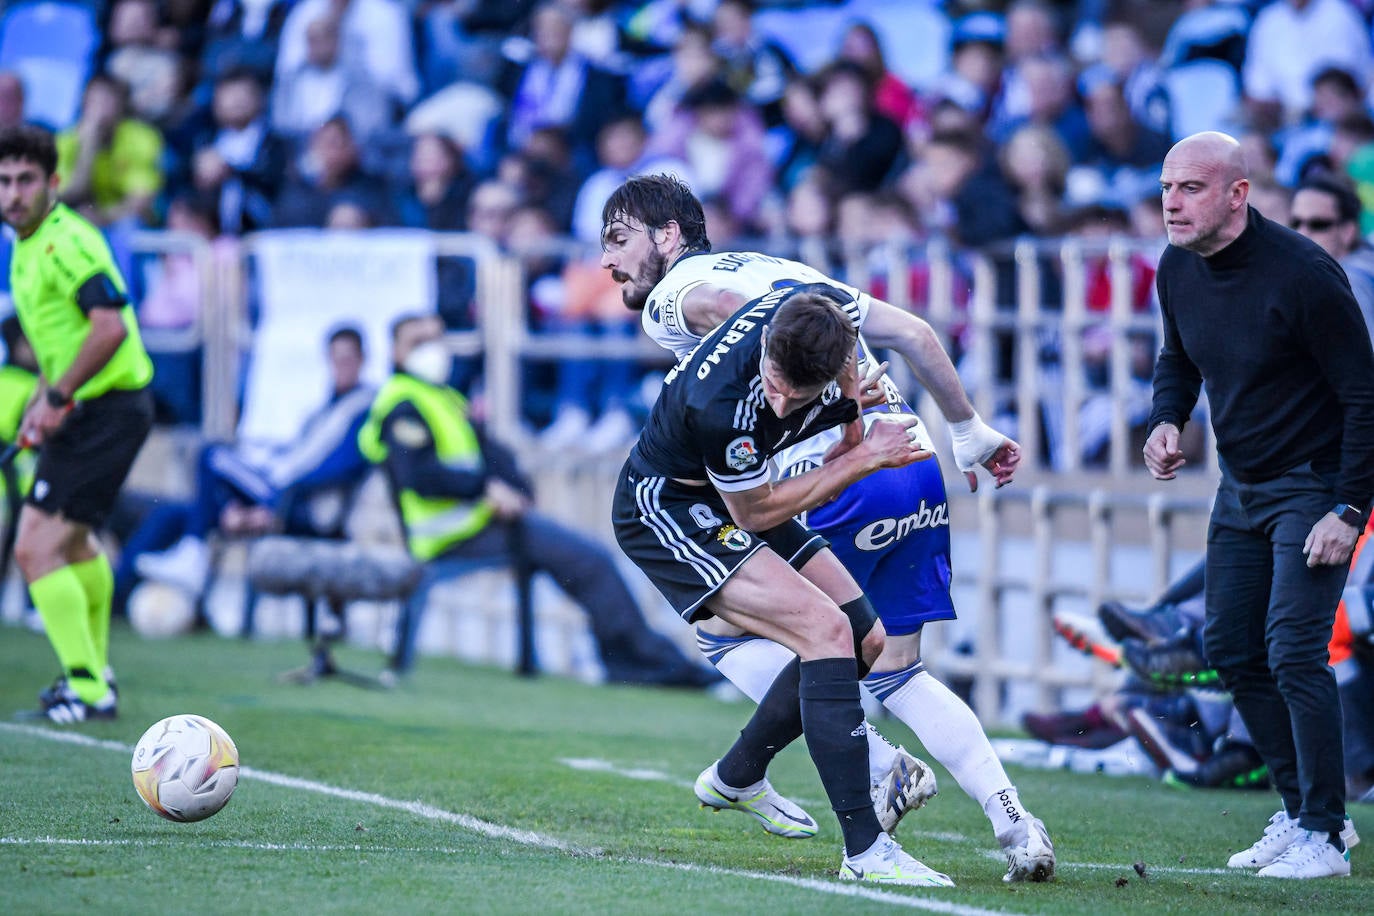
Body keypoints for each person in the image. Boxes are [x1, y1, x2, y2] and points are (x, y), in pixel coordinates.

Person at [599, 174, 1055, 883]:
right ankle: (998, 822)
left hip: (819, 471)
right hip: (907, 464)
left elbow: (737, 329)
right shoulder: (786, 282)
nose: (609, 262)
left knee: (784, 638)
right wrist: (966, 429)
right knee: (872, 652)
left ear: (667, 236)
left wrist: (845, 422)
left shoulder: (682, 297)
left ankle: (839, 775)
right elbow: (914, 333)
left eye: (619, 239)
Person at [609, 275, 952, 885]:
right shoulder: (721, 406)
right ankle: (867, 854)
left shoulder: (817, 309)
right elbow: (758, 513)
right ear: (765, 348)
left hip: (727, 493)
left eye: (798, 397)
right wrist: (863, 456)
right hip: (671, 509)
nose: (779, 405)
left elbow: (846, 349)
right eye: (773, 385)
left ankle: (736, 777)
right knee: (824, 631)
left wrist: (849, 420)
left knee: (864, 637)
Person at [1145, 130, 1374, 878]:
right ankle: (1308, 815)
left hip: (1313, 485)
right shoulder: (1176, 266)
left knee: (1293, 650)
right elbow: (1176, 358)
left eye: (1191, 189)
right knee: (1231, 649)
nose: (1172, 204)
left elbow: (1365, 395)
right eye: (1166, 188)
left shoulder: (1306, 273)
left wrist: (1349, 509)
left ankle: (1323, 830)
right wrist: (1167, 420)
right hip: (1239, 485)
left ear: (1238, 194)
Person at [358, 313, 717, 690]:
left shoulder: (442, 396)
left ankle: (633, 658)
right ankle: (643, 661)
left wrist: (518, 490)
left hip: (484, 523)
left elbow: (494, 454)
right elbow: (419, 476)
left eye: (436, 339)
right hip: (453, 536)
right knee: (589, 561)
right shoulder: (402, 404)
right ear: (396, 352)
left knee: (586, 560)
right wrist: (485, 488)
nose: (431, 350)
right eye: (418, 342)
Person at [0, 124, 156, 723]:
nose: (14, 194)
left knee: (35, 550)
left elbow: (110, 326)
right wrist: (42, 401)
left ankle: (87, 687)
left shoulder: (68, 243)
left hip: (107, 410)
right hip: (91, 410)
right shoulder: (26, 243)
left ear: (53, 183)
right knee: (75, 542)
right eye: (5, 182)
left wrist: (59, 396)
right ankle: (95, 676)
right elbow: (57, 341)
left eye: (26, 181)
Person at [133, 325, 377, 598]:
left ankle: (194, 555)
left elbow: (343, 467)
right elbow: (293, 453)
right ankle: (130, 590)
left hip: (297, 501)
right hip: (279, 489)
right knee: (174, 513)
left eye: (348, 359)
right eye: (336, 358)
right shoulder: (322, 410)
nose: (341, 366)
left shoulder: (364, 408)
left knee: (212, 454)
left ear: (362, 360)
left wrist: (280, 502)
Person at [1288, 172, 1374, 339]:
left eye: (1318, 224)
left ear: (1348, 232)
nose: (1302, 233)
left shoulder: (1346, 283)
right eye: (1296, 223)